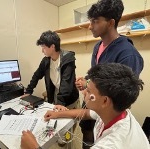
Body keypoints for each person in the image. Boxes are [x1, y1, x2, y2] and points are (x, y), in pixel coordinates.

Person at [21, 63, 150, 149]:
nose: (83, 92)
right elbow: (87, 113)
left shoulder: (110, 145)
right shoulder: (115, 111)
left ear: (105, 101)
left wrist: (33, 147)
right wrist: (58, 114)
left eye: (88, 91)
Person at [75, 0, 144, 146]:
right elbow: (97, 77)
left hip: (107, 118)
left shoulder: (128, 55)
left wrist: (87, 84)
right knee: (87, 138)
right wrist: (86, 82)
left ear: (111, 23)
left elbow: (121, 94)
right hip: (92, 108)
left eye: (95, 21)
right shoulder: (97, 46)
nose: (90, 26)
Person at [23, 30, 79, 109]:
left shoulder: (68, 59)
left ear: (52, 46)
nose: (42, 51)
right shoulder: (46, 61)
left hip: (69, 100)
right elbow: (36, 75)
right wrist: (29, 91)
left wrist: (60, 104)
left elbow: (66, 84)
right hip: (56, 98)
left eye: (43, 47)